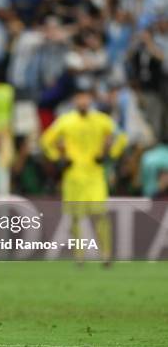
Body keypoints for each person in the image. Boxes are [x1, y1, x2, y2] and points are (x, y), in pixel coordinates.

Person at [41, 86, 127, 266]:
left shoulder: (102, 120)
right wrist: (58, 159)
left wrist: (110, 154)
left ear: (91, 99)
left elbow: (121, 137)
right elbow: (46, 140)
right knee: (75, 217)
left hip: (95, 174)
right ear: (74, 100)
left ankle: (106, 254)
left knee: (100, 215)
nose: (82, 101)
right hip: (73, 175)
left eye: (85, 98)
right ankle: (79, 256)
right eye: (79, 98)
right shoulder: (65, 121)